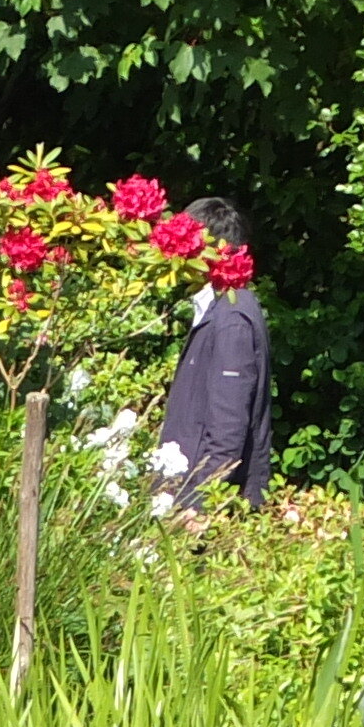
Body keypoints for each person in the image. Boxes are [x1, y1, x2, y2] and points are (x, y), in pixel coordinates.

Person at [151, 197, 271, 513]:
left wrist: (198, 506)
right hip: (187, 495)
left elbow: (228, 429)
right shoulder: (220, 309)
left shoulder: (232, 319)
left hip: (204, 511)